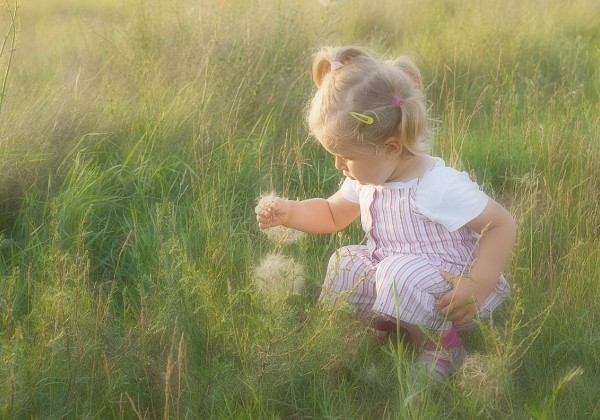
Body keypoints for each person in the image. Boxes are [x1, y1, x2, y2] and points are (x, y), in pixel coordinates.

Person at [255, 46, 516, 379]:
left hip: (452, 290)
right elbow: (333, 214)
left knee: (395, 271)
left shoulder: (436, 185)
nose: (339, 166)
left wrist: (477, 287)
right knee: (345, 261)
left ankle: (442, 347)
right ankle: (370, 329)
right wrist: (289, 213)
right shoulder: (369, 176)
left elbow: (501, 224)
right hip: (398, 276)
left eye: (345, 157)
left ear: (391, 147)